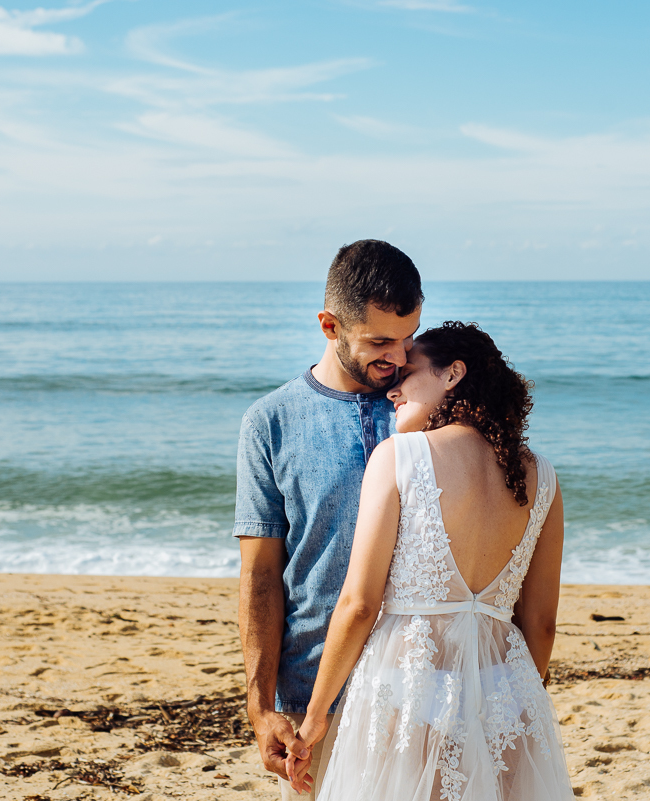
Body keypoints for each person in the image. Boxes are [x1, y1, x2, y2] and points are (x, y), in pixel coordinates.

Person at [285, 321, 575, 801]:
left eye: (409, 373)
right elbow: (541, 622)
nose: (392, 389)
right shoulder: (541, 476)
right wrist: (513, 703)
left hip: (410, 682)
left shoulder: (400, 456)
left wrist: (315, 718)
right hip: (504, 686)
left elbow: (358, 604)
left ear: (452, 374)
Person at [235, 240, 424, 801]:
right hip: (315, 694)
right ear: (329, 325)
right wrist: (260, 706)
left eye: (410, 337)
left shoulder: (426, 408)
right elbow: (262, 575)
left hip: (422, 687)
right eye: (380, 342)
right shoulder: (269, 422)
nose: (400, 356)